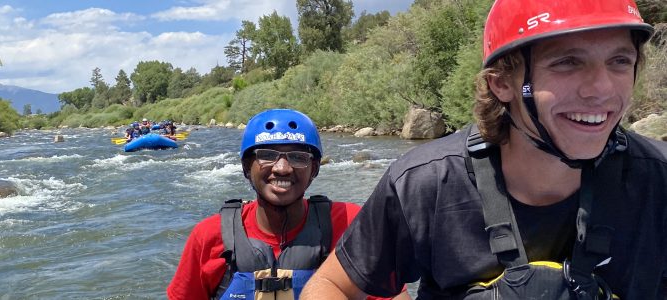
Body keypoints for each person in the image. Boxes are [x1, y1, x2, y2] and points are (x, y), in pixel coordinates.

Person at [302, 0, 666, 299]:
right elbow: (331, 286)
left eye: (619, 61)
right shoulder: (427, 184)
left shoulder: (658, 179)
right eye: (567, 62)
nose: (601, 88)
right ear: (502, 83)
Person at [167, 109, 406, 299]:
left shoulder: (350, 222)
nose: (282, 168)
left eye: (298, 157)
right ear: (246, 168)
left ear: (314, 169)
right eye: (267, 155)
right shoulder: (208, 236)